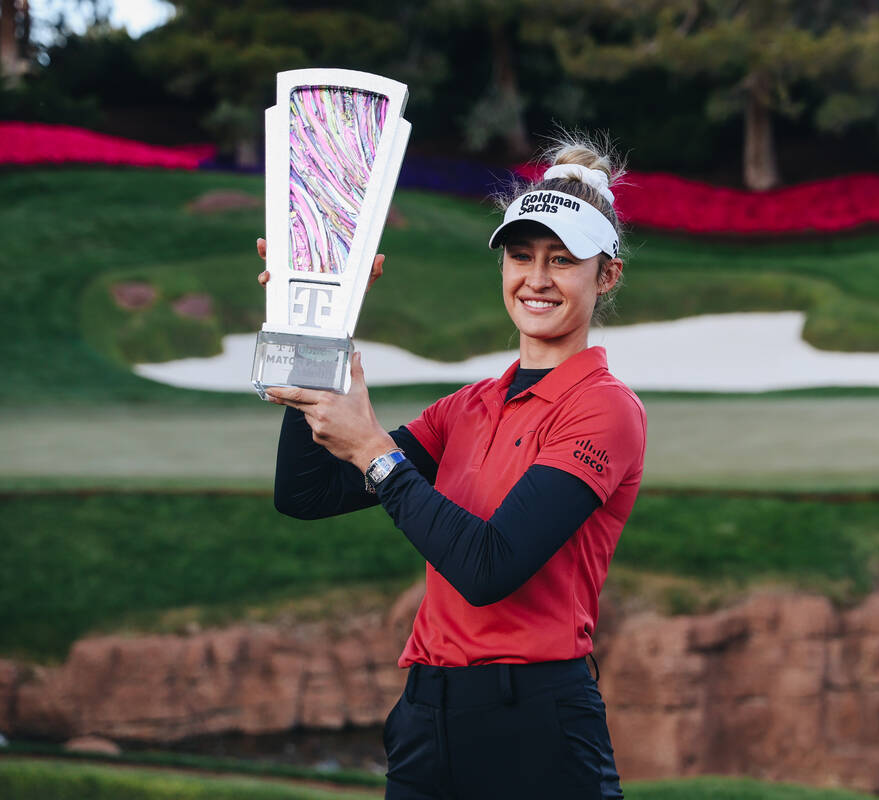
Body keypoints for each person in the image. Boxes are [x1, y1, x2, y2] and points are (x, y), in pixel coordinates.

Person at [258, 135, 646, 800]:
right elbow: (307, 491)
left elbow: (489, 567)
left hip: (537, 727)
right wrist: (316, 323)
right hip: (426, 717)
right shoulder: (468, 407)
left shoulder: (603, 410)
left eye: (563, 261)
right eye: (521, 256)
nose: (537, 278)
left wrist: (377, 452)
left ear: (605, 274)